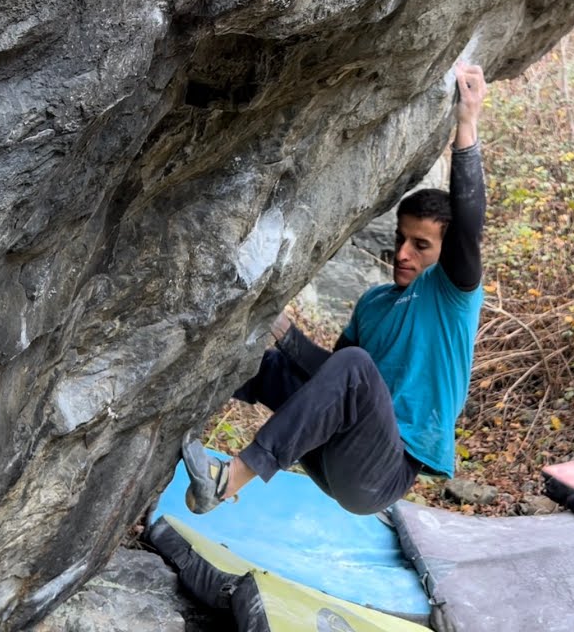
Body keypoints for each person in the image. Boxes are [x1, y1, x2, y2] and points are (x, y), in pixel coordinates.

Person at [182, 61, 489, 516]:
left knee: (356, 364)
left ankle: (230, 478)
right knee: (265, 366)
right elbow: (330, 378)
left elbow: (468, 222)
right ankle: (166, 426)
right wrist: (283, 331)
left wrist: (467, 121)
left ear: (445, 252)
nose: (402, 253)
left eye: (420, 245)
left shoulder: (452, 294)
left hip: (379, 473)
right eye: (399, 239)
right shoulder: (375, 303)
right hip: (331, 452)